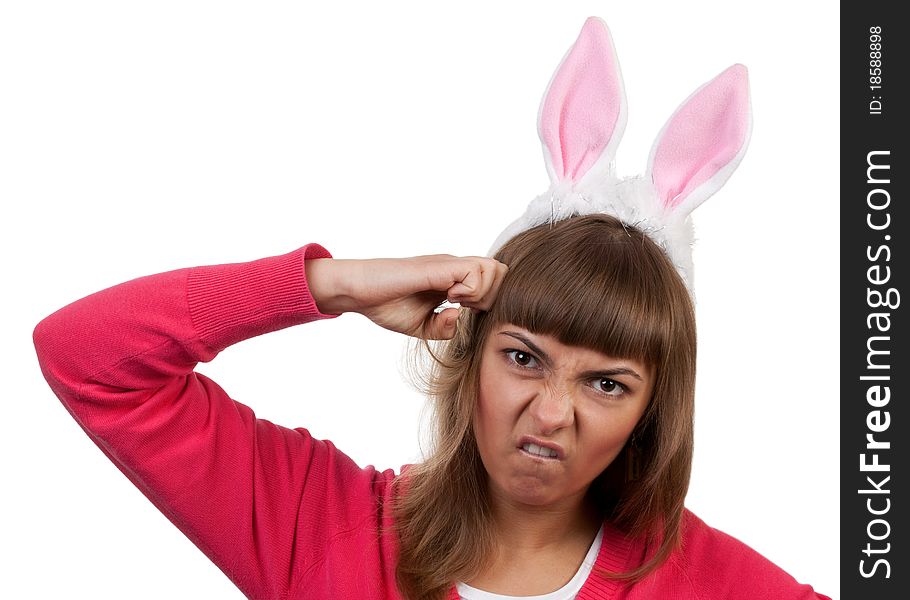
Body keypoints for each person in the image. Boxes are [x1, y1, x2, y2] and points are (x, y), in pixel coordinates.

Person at [32, 16, 831, 600]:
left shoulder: (715, 584)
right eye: (523, 357)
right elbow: (88, 360)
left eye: (607, 384)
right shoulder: (324, 527)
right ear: (468, 347)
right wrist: (329, 284)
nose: (551, 413)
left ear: (655, 410)